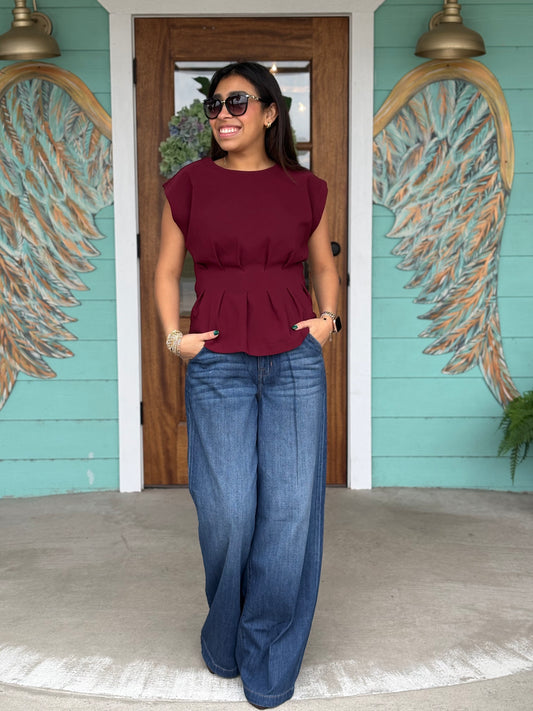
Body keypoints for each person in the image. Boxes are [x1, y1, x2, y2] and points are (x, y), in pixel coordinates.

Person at [154, 61, 340, 709]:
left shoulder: (305, 189)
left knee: (289, 512)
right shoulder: (190, 184)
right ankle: (225, 627)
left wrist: (328, 321)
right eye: (214, 105)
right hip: (217, 362)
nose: (223, 115)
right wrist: (174, 337)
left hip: (293, 362)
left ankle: (267, 648)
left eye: (237, 102)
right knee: (228, 510)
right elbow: (166, 269)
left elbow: (323, 264)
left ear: (269, 111)